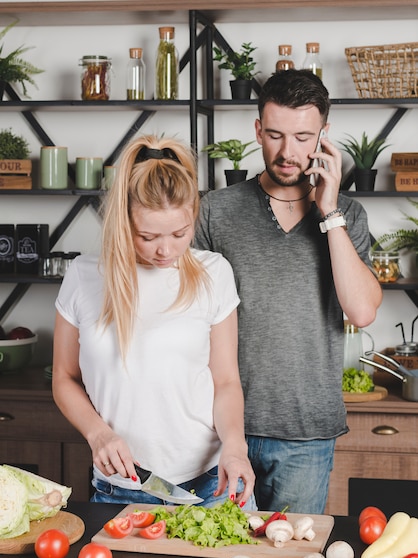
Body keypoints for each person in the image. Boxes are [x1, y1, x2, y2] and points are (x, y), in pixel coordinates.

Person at [195, 69, 382, 514]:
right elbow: (184, 315)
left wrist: (330, 211)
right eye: (275, 134)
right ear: (258, 129)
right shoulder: (214, 211)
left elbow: (362, 310)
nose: (287, 151)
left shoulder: (348, 216)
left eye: (302, 137)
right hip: (217, 429)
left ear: (324, 136)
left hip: (306, 434)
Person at [52, 134, 255, 509]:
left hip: (211, 486)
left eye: (180, 233)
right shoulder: (84, 276)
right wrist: (97, 434)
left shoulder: (214, 273)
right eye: (148, 237)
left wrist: (235, 447)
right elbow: (64, 378)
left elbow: (226, 380)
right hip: (119, 489)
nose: (166, 250)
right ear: (123, 222)